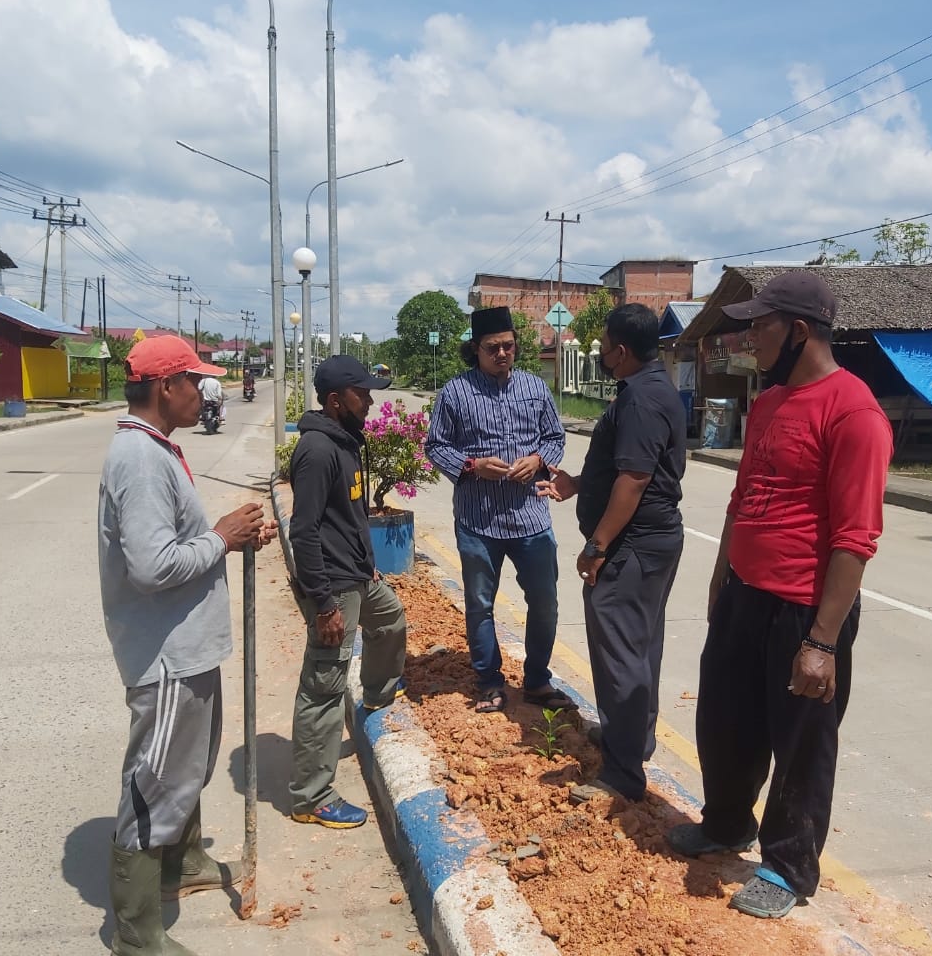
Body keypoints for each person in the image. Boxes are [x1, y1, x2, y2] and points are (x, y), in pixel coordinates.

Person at [665, 270, 893, 920]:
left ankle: (789, 866)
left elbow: (855, 539)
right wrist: (719, 579)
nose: (747, 337)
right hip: (744, 595)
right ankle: (727, 823)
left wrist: (822, 640)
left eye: (758, 325)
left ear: (797, 331)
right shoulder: (769, 401)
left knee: (800, 745)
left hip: (803, 611)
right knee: (725, 723)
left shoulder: (854, 413)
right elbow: (744, 498)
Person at [99, 333, 277, 956]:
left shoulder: (156, 449)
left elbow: (182, 543)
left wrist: (231, 537)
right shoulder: (141, 460)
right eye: (196, 381)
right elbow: (151, 567)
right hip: (166, 654)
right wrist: (222, 538)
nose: (206, 392)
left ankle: (182, 864)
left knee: (189, 766)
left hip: (187, 646)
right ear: (166, 387)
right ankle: (137, 931)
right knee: (157, 780)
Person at [537, 303, 686, 805]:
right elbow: (632, 467)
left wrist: (597, 545)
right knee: (640, 646)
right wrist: (579, 484)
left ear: (621, 351)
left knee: (621, 653)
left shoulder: (642, 400)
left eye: (603, 343)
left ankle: (623, 775)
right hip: (650, 541)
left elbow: (637, 478)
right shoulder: (647, 390)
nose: (599, 349)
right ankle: (633, 739)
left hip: (632, 546)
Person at [425, 306, 569, 715]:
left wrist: (539, 458)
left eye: (509, 346)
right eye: (493, 348)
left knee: (545, 602)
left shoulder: (535, 388)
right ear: (476, 349)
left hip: (530, 519)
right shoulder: (455, 393)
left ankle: (538, 680)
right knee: (480, 604)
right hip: (478, 521)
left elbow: (555, 437)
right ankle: (489, 680)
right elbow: (436, 445)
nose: (503, 354)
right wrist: (472, 466)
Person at [287, 354, 408, 829]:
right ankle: (310, 796)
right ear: (337, 401)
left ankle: (377, 692)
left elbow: (349, 517)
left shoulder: (344, 441)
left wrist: (368, 566)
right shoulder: (317, 451)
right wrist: (324, 605)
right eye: (363, 393)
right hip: (332, 587)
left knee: (391, 618)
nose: (372, 401)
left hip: (356, 575)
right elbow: (304, 532)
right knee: (323, 687)